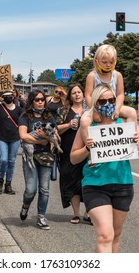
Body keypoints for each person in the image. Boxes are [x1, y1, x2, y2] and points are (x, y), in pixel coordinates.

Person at [70, 84, 139, 252]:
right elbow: (73, 158)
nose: (108, 103)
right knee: (105, 235)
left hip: (122, 184)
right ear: (95, 103)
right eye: (103, 100)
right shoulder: (88, 125)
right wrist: (87, 149)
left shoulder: (125, 123)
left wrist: (136, 142)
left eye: (111, 100)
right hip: (95, 185)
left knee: (116, 235)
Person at [18, 90, 58, 230]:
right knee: (31, 189)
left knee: (44, 189)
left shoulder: (49, 117)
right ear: (31, 101)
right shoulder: (25, 117)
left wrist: (47, 138)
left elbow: (56, 137)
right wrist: (41, 142)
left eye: (42, 99)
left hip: (45, 157)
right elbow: (23, 136)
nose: (40, 102)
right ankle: (25, 205)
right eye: (37, 100)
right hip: (30, 157)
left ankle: (41, 216)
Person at [56, 83, 91, 224]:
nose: (77, 95)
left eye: (79, 92)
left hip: (88, 150)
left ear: (83, 94)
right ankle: (76, 213)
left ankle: (89, 212)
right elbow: (55, 129)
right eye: (74, 93)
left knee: (88, 180)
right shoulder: (63, 110)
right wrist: (68, 125)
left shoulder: (91, 111)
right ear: (70, 96)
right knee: (70, 179)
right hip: (68, 150)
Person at [84, 44, 137, 126]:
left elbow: (120, 94)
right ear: (96, 61)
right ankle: (86, 138)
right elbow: (88, 95)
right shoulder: (92, 76)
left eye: (111, 62)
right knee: (84, 120)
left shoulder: (117, 75)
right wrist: (94, 112)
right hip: (96, 107)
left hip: (113, 107)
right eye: (104, 62)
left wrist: (117, 109)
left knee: (132, 112)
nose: (108, 65)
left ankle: (130, 135)